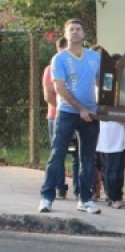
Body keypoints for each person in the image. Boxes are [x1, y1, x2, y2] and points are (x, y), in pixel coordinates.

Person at [38, 19, 101, 214]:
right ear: (66, 35)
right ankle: (46, 198)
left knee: (87, 159)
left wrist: (101, 106)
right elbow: (59, 88)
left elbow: (102, 83)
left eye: (78, 29)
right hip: (67, 113)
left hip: (90, 114)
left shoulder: (94, 57)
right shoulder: (60, 59)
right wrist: (80, 108)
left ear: (84, 34)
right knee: (57, 155)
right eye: (71, 29)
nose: (75, 32)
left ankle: (85, 199)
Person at [42, 35, 79, 199]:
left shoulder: (78, 66)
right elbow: (48, 95)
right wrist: (65, 109)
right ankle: (59, 186)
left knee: (77, 152)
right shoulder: (51, 69)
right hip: (56, 116)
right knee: (59, 152)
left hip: (78, 115)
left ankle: (79, 188)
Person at [97, 119, 125, 209]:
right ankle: (113, 198)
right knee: (112, 167)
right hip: (112, 131)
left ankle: (118, 197)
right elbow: (107, 109)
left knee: (120, 168)